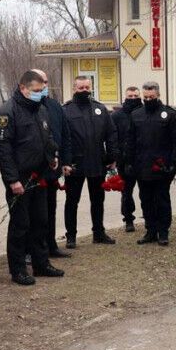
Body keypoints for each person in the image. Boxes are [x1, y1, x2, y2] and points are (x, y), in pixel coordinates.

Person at [0, 70, 64, 285]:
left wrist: (53, 156)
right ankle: (18, 270)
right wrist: (12, 180)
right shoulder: (7, 112)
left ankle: (41, 264)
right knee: (20, 225)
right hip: (20, 179)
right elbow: (2, 150)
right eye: (36, 90)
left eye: (42, 90)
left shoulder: (40, 109)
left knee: (41, 221)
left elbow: (47, 136)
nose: (40, 94)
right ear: (23, 88)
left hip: (39, 175)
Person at [63, 76, 119, 246]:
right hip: (75, 163)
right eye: (81, 88)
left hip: (97, 161)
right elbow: (62, 138)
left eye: (87, 87)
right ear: (74, 89)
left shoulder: (100, 109)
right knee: (72, 200)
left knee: (98, 199)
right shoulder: (66, 110)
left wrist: (112, 156)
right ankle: (71, 236)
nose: (85, 90)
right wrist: (65, 161)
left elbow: (111, 134)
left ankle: (98, 233)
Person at [125, 81, 176, 246]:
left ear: (158, 95)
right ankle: (150, 230)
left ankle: (163, 232)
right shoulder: (136, 115)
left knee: (162, 200)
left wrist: (174, 164)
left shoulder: (168, 114)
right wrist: (129, 162)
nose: (148, 100)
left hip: (162, 167)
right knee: (146, 199)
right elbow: (131, 141)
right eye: (145, 97)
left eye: (151, 97)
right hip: (142, 166)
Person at [32, 69, 72, 257]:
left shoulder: (55, 107)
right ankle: (31, 250)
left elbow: (65, 135)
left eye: (46, 82)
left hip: (53, 169)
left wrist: (66, 161)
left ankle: (51, 245)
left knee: (50, 209)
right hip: (34, 171)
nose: (45, 86)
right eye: (41, 82)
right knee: (34, 214)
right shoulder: (27, 107)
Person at [113, 85, 142, 232]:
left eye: (135, 96)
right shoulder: (117, 116)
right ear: (125, 96)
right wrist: (116, 155)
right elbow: (112, 137)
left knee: (146, 191)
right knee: (126, 192)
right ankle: (128, 219)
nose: (133, 99)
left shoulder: (144, 113)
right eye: (130, 96)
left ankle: (150, 218)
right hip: (124, 160)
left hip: (143, 159)